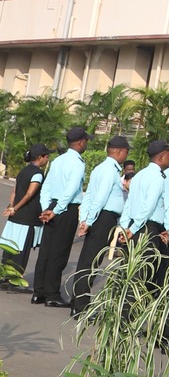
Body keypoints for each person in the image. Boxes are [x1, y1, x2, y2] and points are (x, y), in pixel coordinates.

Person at [69, 133, 130, 315]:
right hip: (104, 218)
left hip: (97, 217)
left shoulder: (100, 168)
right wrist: (89, 221)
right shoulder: (110, 171)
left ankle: (77, 302)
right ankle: (81, 306)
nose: (126, 155)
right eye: (126, 151)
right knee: (91, 263)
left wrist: (84, 219)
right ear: (118, 152)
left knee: (87, 261)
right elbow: (100, 198)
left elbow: (89, 196)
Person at [32, 126, 89, 306]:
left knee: (46, 251)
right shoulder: (78, 163)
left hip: (51, 205)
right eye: (86, 141)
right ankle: (52, 295)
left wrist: (46, 208)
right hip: (65, 209)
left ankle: (39, 292)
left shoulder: (58, 160)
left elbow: (46, 187)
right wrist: (57, 210)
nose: (86, 144)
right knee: (59, 252)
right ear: (80, 142)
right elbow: (70, 191)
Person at [118, 140, 169, 246]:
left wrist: (125, 226)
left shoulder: (139, 175)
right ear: (161, 158)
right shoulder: (157, 177)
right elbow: (149, 205)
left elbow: (129, 204)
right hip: (146, 228)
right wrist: (133, 229)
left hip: (133, 225)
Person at [4, 147, 50, 283]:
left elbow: (14, 191)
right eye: (46, 156)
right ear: (40, 157)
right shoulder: (38, 174)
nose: (47, 159)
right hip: (27, 217)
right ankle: (14, 280)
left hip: (16, 216)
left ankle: (5, 276)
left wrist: (12, 207)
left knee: (10, 248)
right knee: (21, 250)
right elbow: (30, 194)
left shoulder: (23, 171)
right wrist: (15, 208)